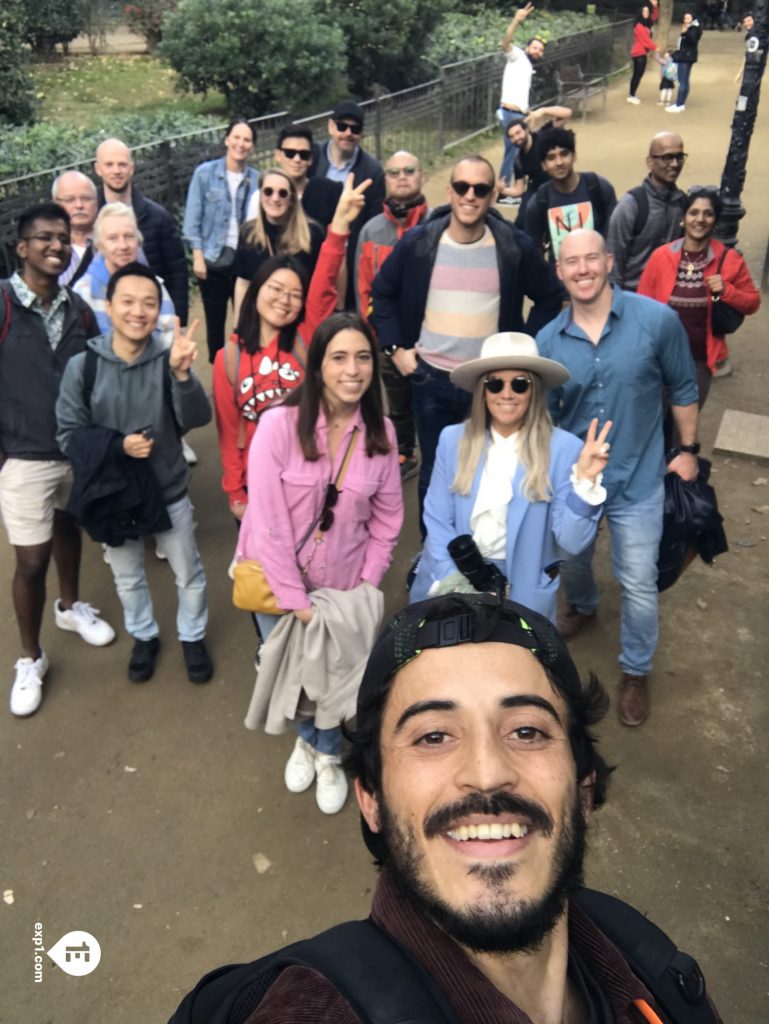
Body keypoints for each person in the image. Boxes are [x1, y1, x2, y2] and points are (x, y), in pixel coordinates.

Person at [173, 592, 723, 1024]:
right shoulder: (310, 1010)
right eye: (433, 736)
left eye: (528, 730)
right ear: (373, 802)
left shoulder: (650, 968)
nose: (486, 772)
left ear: (583, 791)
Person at [237, 312, 403, 814]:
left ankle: (329, 754)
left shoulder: (383, 433)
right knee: (295, 672)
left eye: (362, 358)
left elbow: (389, 517)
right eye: (338, 357)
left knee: (336, 678)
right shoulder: (278, 427)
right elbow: (266, 522)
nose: (352, 370)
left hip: (344, 590)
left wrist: (366, 588)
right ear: (317, 366)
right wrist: (295, 602)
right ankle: (305, 741)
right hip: (276, 587)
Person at [536, 229, 700, 728]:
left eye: (591, 259)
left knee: (638, 582)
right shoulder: (547, 341)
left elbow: (684, 385)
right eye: (571, 262)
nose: (582, 269)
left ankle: (635, 670)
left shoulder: (657, 322)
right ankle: (583, 606)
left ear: (608, 262)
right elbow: (545, 416)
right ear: (560, 272)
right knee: (572, 560)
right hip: (577, 481)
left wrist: (688, 450)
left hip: (640, 478)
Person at [370, 154, 564, 526]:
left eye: (480, 188)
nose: (470, 195)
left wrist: (521, 348)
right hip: (431, 379)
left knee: (491, 472)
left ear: (492, 195)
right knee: (436, 475)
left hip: (489, 386)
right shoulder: (419, 243)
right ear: (450, 191)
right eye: (462, 187)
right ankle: (435, 560)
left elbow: (550, 296)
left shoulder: (512, 247)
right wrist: (396, 349)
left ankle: (481, 559)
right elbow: (383, 293)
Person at [56, 264, 213, 686]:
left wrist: (182, 375)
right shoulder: (83, 367)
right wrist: (116, 445)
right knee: (127, 576)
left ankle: (192, 635)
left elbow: (198, 417)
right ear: (109, 307)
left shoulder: (169, 357)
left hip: (168, 489)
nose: (138, 312)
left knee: (189, 572)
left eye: (149, 303)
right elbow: (68, 434)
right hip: (112, 495)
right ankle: (144, 635)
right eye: (127, 301)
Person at [0, 203, 115, 718]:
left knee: (70, 528)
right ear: (21, 247)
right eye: (43, 237)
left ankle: (70, 607)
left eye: (63, 238)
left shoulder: (78, 310)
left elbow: (95, 378)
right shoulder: (3, 304)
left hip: (72, 449)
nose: (55, 246)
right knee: (30, 560)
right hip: (21, 456)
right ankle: (30, 656)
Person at [411, 332, 610, 625]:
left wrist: (586, 484)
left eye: (520, 384)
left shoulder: (564, 449)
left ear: (534, 390)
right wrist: (454, 579)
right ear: (483, 391)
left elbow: (573, 543)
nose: (507, 393)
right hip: (451, 576)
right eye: (495, 383)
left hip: (523, 591)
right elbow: (438, 519)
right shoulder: (453, 439)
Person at [213, 175, 370, 522]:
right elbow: (229, 432)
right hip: (259, 479)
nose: (284, 300)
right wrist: (235, 491)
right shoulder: (230, 359)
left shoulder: (305, 338)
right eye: (275, 289)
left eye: (294, 295)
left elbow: (325, 278)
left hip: (309, 472)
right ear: (257, 291)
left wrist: (340, 226)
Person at [637, 186, 760, 425]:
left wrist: (727, 290)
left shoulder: (729, 260)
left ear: (715, 220)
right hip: (661, 358)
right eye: (693, 213)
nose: (700, 220)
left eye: (708, 214)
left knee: (684, 428)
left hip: (700, 361)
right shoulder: (661, 257)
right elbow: (643, 306)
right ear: (683, 218)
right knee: (652, 423)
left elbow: (753, 301)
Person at [355, 150, 429, 481]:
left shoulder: (438, 224)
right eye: (394, 172)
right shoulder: (371, 230)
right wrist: (377, 336)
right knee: (396, 398)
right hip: (386, 336)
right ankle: (405, 450)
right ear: (385, 179)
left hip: (432, 335)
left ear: (422, 175)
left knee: (433, 399)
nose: (402, 176)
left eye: (409, 170)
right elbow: (362, 288)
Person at [183, 119, 260, 364]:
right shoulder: (205, 174)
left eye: (246, 139)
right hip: (213, 259)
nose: (241, 144)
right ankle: (218, 373)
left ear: (252, 145)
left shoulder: (257, 180)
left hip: (244, 261)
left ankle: (244, 368)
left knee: (246, 320)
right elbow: (193, 217)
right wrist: (197, 256)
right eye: (236, 137)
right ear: (226, 139)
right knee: (215, 322)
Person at [93, 137, 189, 325]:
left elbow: (177, 272)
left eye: (122, 164)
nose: (116, 171)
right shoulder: (90, 218)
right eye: (109, 164)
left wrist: (179, 322)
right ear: (98, 169)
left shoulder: (159, 218)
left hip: (152, 320)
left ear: (131, 168)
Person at [310, 100, 386, 308]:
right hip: (315, 251)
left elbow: (373, 222)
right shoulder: (312, 158)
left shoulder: (372, 172)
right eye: (342, 126)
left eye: (355, 128)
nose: (348, 133)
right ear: (330, 126)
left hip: (349, 256)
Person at [73, 203, 176, 346]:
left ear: (138, 241)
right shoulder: (83, 292)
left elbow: (169, 339)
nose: (123, 246)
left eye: (129, 236)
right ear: (99, 245)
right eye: (113, 238)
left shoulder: (155, 287)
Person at [233, 169, 325, 322]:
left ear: (292, 200)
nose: (275, 198)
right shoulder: (248, 233)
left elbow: (320, 286)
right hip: (258, 320)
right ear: (260, 196)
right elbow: (243, 284)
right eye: (268, 192)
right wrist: (237, 327)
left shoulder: (312, 234)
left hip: (299, 319)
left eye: (282, 193)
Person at [606, 131, 687, 292]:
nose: (675, 164)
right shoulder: (631, 205)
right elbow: (614, 260)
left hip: (667, 297)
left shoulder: (683, 203)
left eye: (679, 157)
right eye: (666, 157)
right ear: (650, 162)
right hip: (634, 297)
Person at [524, 128, 617, 261]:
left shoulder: (598, 188)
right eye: (551, 158)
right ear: (543, 165)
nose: (559, 162)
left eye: (564, 154)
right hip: (559, 279)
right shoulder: (539, 202)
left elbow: (615, 239)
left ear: (574, 156)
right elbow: (533, 252)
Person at [497, 3, 547, 187]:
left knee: (517, 149)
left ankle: (512, 186)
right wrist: (516, 21)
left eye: (541, 50)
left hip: (519, 114)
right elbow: (505, 43)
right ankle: (504, 189)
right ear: (527, 47)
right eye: (535, 47)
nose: (538, 52)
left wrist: (527, 112)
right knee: (513, 149)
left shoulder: (526, 64)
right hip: (510, 113)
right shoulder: (517, 55)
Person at [254, 127, 342, 230]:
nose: (297, 159)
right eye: (290, 153)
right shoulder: (263, 195)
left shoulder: (325, 193)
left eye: (304, 154)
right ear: (278, 155)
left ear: (310, 159)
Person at [495, 105, 572, 215]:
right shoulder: (519, 160)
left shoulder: (543, 135)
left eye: (518, 133)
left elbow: (567, 113)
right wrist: (502, 190)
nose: (516, 138)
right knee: (522, 219)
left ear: (527, 130)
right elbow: (519, 189)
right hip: (537, 190)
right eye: (512, 137)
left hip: (557, 185)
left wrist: (543, 110)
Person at [51, 171, 98, 286]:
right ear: (55, 205)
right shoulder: (49, 251)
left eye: (86, 198)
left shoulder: (115, 241)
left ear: (97, 202)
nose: (79, 205)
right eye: (69, 200)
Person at [666, 12, 701, 113]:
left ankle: (679, 104)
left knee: (682, 81)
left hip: (686, 57)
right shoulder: (691, 28)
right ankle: (681, 103)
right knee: (685, 80)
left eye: (688, 18)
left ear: (692, 19)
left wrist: (685, 32)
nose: (686, 20)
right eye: (685, 18)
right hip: (686, 56)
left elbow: (692, 41)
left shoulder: (693, 29)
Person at [627, 1, 659, 104]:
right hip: (638, 53)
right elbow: (645, 40)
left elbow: (654, 16)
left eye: (647, 11)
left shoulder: (647, 23)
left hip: (642, 52)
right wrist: (655, 47)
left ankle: (632, 94)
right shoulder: (639, 25)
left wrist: (654, 6)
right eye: (644, 11)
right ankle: (632, 95)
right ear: (640, 12)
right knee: (637, 74)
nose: (646, 13)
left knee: (638, 74)